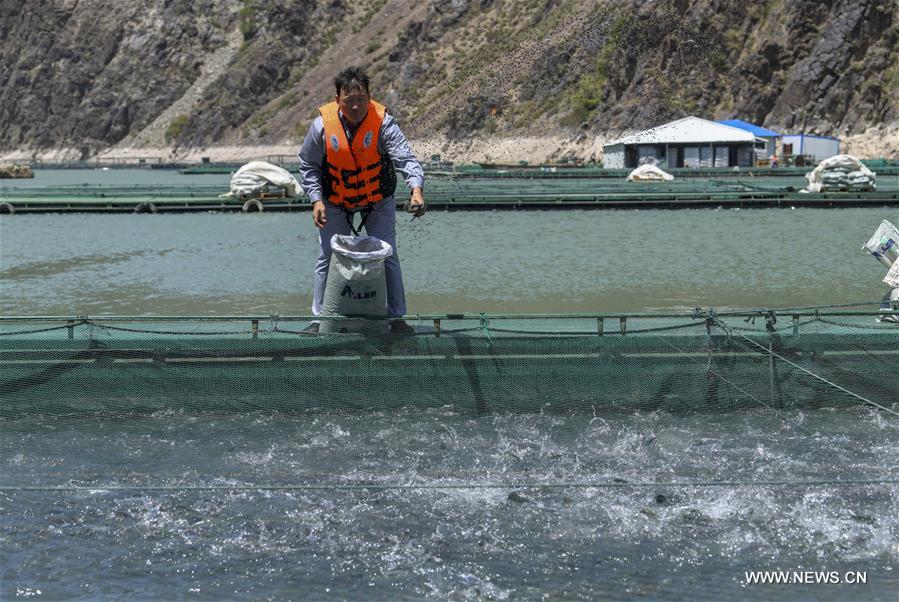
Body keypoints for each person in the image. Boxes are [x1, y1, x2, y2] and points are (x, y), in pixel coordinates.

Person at [298, 66, 425, 333]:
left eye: (361, 100)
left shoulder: (384, 123)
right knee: (327, 256)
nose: (355, 107)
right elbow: (308, 166)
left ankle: (396, 318)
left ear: (369, 97)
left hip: (377, 199)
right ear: (337, 100)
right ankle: (320, 318)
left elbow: (405, 158)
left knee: (388, 254)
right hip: (334, 200)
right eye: (348, 101)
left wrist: (415, 189)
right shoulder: (321, 127)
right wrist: (316, 200)